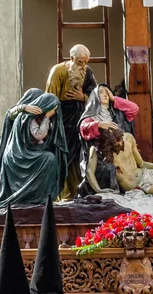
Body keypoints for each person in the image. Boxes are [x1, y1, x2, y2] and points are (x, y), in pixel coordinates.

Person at [0, 93, 68, 211]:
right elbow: (38, 134)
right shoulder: (27, 117)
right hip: (19, 156)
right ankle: (38, 197)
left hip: (24, 154)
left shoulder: (32, 117)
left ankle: (40, 196)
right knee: (49, 159)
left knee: (50, 158)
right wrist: (45, 116)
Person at [0, 88, 44, 208]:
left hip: (29, 151)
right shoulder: (21, 113)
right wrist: (24, 107)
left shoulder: (37, 116)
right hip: (17, 153)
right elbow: (11, 114)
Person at [46, 44, 97, 200]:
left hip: (80, 115)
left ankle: (77, 191)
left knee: (80, 156)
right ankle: (62, 193)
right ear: (72, 57)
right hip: (62, 117)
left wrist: (83, 98)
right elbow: (50, 97)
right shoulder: (58, 71)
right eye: (80, 61)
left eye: (86, 61)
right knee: (63, 155)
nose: (83, 65)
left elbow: (95, 93)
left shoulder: (87, 71)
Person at [78, 84, 139, 195]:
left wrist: (114, 98)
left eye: (107, 92)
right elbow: (83, 128)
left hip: (120, 151)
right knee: (108, 168)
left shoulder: (116, 113)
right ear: (94, 97)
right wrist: (99, 124)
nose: (105, 94)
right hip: (102, 155)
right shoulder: (91, 116)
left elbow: (134, 108)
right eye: (101, 92)